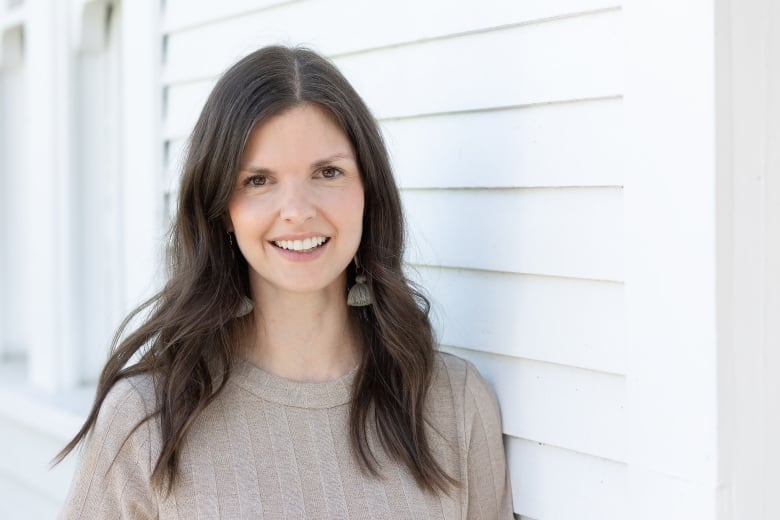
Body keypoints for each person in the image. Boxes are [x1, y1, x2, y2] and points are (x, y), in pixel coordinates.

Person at [57, 45, 513, 519]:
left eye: (328, 172)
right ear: (223, 212)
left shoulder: (452, 401)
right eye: (258, 180)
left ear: (368, 194)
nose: (297, 210)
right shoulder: (147, 419)